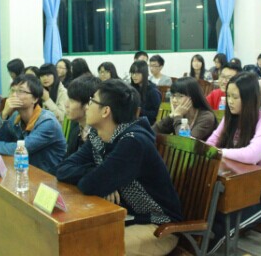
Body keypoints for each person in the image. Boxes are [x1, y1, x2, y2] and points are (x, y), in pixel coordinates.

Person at [56, 79, 183, 256]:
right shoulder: (98, 136)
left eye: (92, 101)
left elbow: (89, 185)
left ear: (105, 111)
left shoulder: (133, 142)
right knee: (68, 237)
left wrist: (103, 179)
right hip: (122, 215)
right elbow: (63, 169)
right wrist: (102, 176)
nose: (87, 107)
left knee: (89, 247)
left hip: (159, 225)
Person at [205, 72, 261, 253]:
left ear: (249, 98)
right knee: (206, 212)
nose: (230, 101)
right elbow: (212, 142)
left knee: (224, 224)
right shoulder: (232, 115)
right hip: (238, 186)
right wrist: (207, 150)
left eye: (235, 97)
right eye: (228, 96)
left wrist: (219, 152)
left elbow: (252, 155)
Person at [0, 74, 66, 175]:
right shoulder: (15, 116)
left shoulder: (48, 122)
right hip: (24, 170)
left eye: (20, 91)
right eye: (12, 90)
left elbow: (21, 149)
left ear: (35, 99)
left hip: (48, 177)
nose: (14, 95)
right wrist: (4, 114)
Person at [152, 77, 218, 141]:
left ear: (193, 97)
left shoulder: (206, 117)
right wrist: (171, 116)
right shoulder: (181, 113)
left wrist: (177, 116)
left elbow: (185, 143)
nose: (174, 100)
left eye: (180, 96)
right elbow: (152, 132)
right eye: (173, 95)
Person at [64, 75, 101, 157]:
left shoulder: (101, 136)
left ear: (88, 104)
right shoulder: (76, 129)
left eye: (72, 101)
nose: (66, 104)